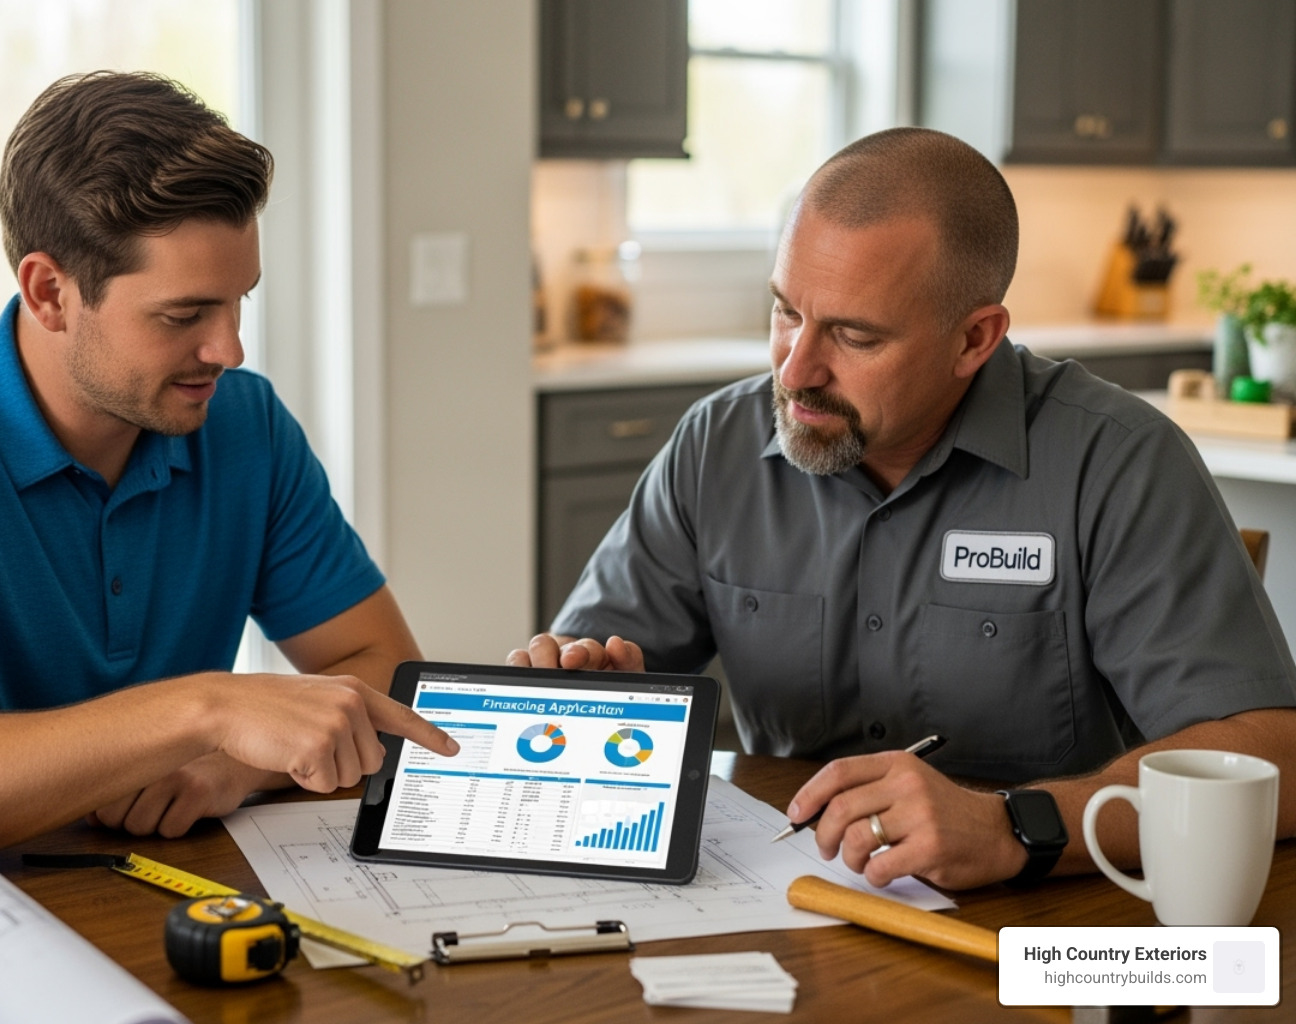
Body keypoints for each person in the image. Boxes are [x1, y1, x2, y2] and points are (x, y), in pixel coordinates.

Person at [510, 127, 1296, 891]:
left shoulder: (1117, 461)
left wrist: (1014, 826)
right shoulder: (714, 448)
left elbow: (1276, 762)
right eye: (786, 311)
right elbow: (582, 686)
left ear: (974, 340)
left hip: (1043, 926)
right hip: (788, 895)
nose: (795, 369)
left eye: (853, 335)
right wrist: (583, 686)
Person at [0, 71, 457, 872]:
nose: (228, 350)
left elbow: (385, 674)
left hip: (140, 892)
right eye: (183, 314)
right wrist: (205, 709)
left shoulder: (245, 424)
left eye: (239, 303)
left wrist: (236, 762)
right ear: (49, 291)